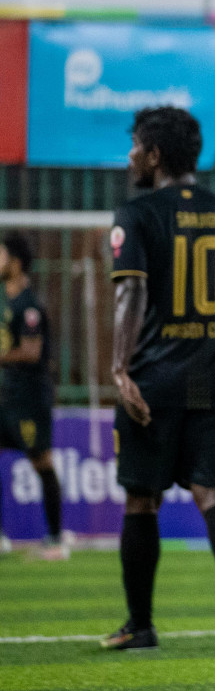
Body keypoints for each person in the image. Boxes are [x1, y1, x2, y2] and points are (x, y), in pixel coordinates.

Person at [101, 107, 215, 653]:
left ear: (154, 155)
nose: (129, 157)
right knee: (214, 493)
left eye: (135, 147)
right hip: (210, 380)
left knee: (141, 499)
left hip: (154, 380)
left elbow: (130, 291)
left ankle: (140, 624)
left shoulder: (138, 211)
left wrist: (120, 368)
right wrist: (211, 334)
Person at [0, 233, 67, 560]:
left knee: (41, 462)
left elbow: (30, 351)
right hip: (6, 394)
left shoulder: (29, 306)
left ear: (14, 261)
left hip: (29, 397)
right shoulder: (5, 302)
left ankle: (56, 540)